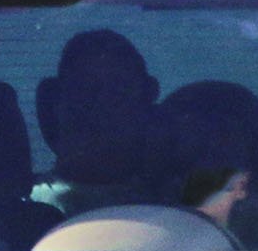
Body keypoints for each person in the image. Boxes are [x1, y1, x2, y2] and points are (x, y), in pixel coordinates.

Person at [33, 29, 168, 213]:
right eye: (85, 90)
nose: (100, 106)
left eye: (118, 92)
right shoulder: (14, 215)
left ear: (146, 104)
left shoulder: (185, 209)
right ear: (58, 105)